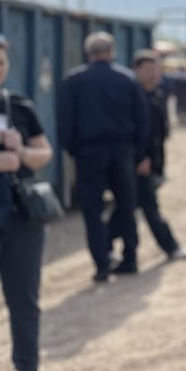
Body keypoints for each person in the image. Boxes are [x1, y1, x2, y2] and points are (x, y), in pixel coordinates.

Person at [0, 30, 63, 371]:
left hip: (21, 221)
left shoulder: (19, 106)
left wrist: (22, 152)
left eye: (0, 62)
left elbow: (45, 152)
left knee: (25, 300)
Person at [57, 32, 149, 284]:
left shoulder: (74, 81)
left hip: (89, 152)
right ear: (112, 52)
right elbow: (142, 120)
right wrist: (140, 153)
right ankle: (130, 258)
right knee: (126, 205)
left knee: (92, 210)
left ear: (88, 53)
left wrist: (74, 149)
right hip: (123, 150)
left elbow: (64, 122)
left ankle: (102, 264)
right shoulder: (127, 79)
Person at [109, 51, 186, 263]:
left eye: (156, 70)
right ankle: (170, 246)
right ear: (135, 71)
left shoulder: (157, 95)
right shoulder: (132, 97)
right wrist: (141, 158)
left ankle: (104, 242)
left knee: (129, 207)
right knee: (147, 206)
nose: (153, 75)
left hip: (150, 162)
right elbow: (134, 133)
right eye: (148, 70)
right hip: (137, 163)